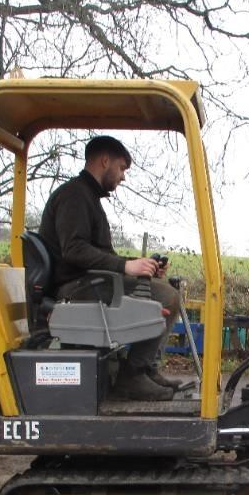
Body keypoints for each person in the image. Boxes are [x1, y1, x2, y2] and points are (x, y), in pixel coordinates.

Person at [39, 135, 182, 401]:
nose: (123, 176)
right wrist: (125, 266)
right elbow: (74, 250)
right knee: (166, 297)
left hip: (92, 282)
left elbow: (99, 254)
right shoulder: (75, 196)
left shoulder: (88, 198)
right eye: (122, 168)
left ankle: (145, 369)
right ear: (105, 161)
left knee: (163, 291)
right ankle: (133, 376)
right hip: (78, 288)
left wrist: (142, 267)